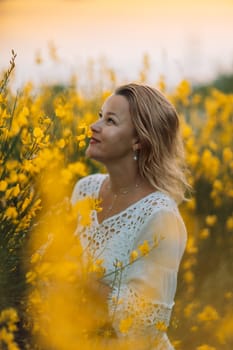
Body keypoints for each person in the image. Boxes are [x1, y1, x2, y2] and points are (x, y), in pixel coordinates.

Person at [71, 83, 189, 349]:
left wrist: (77, 279)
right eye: (100, 115)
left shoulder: (160, 216)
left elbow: (145, 327)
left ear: (139, 140)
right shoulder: (84, 189)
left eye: (110, 121)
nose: (94, 126)